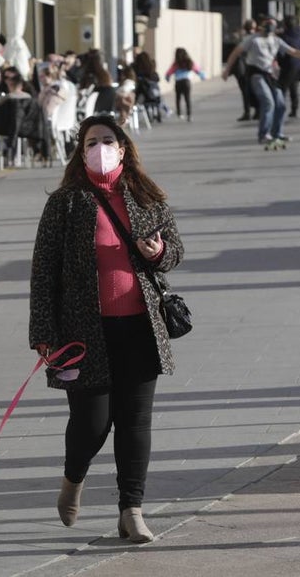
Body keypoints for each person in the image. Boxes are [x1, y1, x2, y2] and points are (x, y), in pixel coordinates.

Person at [28, 114, 184, 544]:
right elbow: (43, 272)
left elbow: (176, 252)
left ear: (123, 147)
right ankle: (73, 479)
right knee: (91, 423)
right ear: (81, 152)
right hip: (83, 333)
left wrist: (159, 252)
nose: (99, 147)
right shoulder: (65, 203)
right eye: (90, 141)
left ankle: (131, 510)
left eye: (107, 140)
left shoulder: (145, 196)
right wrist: (44, 332)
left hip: (140, 326)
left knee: (135, 421)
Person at [224, 17, 300, 147]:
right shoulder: (253, 39)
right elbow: (235, 53)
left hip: (270, 75)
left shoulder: (276, 40)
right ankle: (264, 135)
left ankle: (277, 133)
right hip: (256, 73)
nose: (270, 27)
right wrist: (226, 70)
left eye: (273, 25)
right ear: (262, 25)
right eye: (268, 24)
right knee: (268, 101)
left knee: (280, 104)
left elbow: (293, 52)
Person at [222, 20, 257, 121]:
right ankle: (255, 111)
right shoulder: (254, 38)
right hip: (249, 68)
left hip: (242, 68)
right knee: (252, 90)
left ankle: (248, 111)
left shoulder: (242, 39)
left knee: (246, 91)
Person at [277, 17, 300, 118]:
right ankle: (294, 109)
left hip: (287, 66)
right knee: (294, 89)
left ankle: (280, 108)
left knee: (282, 89)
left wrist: (279, 63)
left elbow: (281, 53)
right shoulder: (299, 36)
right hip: (298, 66)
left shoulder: (284, 37)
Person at [164, 48, 205, 121]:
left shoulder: (176, 64)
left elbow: (169, 73)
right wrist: (202, 76)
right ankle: (189, 115)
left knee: (178, 98)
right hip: (186, 82)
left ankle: (179, 113)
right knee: (187, 98)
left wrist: (167, 78)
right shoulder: (189, 62)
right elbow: (197, 70)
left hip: (178, 82)